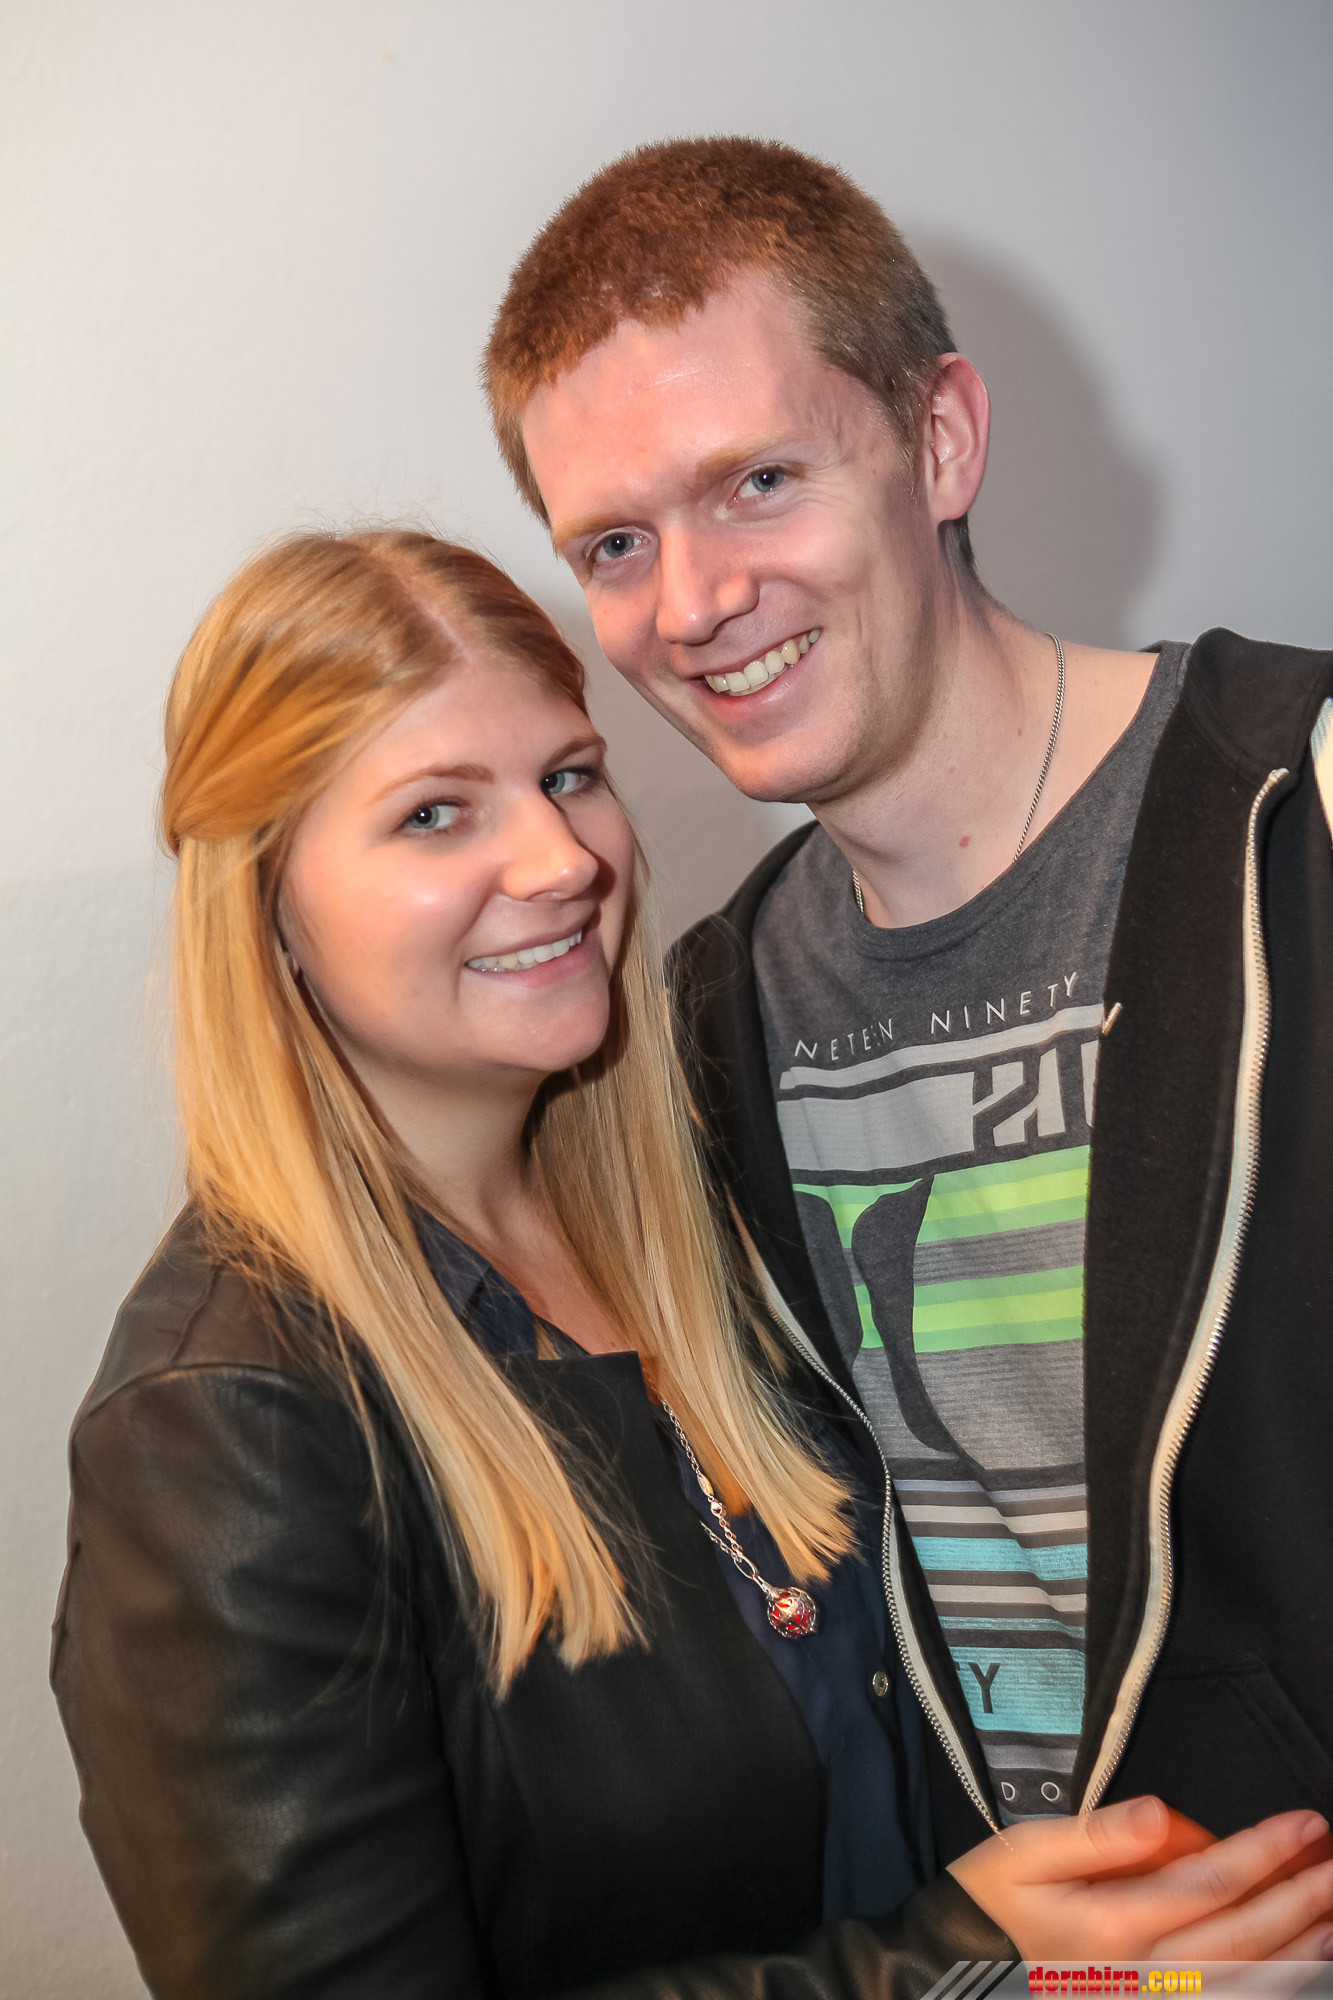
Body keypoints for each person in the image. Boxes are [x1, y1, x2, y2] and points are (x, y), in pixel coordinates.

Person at [51, 532, 1333, 1998]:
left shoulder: (709, 1219)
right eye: (433, 815)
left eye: (567, 776)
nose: (560, 861)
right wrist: (959, 1966)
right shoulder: (225, 1423)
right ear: (266, 902)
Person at [485, 138, 1333, 1867]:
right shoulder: (708, 1027)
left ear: (938, 439)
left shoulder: (1301, 806)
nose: (693, 605)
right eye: (617, 542)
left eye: (758, 482)